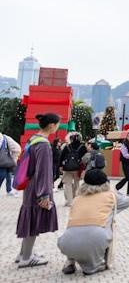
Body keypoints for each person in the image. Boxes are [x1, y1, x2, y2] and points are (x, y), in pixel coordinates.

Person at [57, 169, 129, 275]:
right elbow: (128, 202)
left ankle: (70, 261)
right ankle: (91, 267)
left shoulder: (77, 198)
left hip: (66, 243)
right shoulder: (110, 196)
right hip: (96, 239)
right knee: (107, 220)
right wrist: (113, 191)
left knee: (76, 229)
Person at [15, 112, 61, 268]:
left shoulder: (33, 139)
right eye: (58, 124)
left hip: (30, 185)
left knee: (29, 219)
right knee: (34, 221)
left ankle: (23, 253)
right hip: (38, 188)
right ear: (52, 125)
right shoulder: (43, 144)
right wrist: (44, 194)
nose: (58, 127)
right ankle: (26, 258)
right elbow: (44, 171)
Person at [60, 132, 87, 206]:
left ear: (71, 139)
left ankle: (69, 201)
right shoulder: (82, 147)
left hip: (67, 168)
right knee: (76, 184)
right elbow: (85, 158)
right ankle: (75, 199)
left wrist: (60, 166)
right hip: (78, 168)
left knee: (68, 184)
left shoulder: (67, 147)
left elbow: (62, 156)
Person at [1, 132, 21, 197]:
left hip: (3, 162)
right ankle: (9, 190)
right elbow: (17, 149)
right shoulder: (5, 137)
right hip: (5, 161)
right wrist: (12, 161)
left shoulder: (3, 138)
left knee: (5, 173)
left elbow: (17, 149)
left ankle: (9, 190)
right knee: (7, 173)